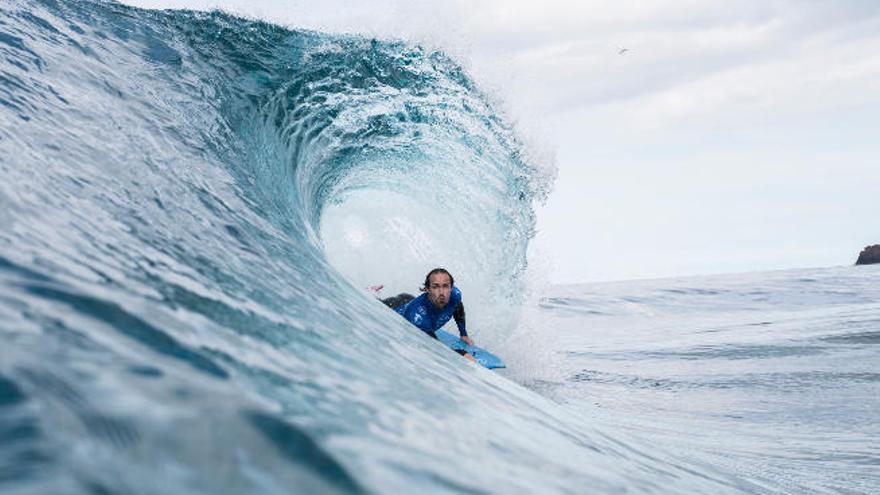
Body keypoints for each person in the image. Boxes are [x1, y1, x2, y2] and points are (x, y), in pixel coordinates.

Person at [382, 268, 476, 360]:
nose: (441, 292)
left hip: (409, 300)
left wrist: (463, 334)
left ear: (451, 288)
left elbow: (458, 306)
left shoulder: (455, 295)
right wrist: (462, 354)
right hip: (391, 310)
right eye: (435, 287)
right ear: (427, 289)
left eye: (445, 286)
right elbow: (436, 347)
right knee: (378, 302)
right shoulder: (419, 319)